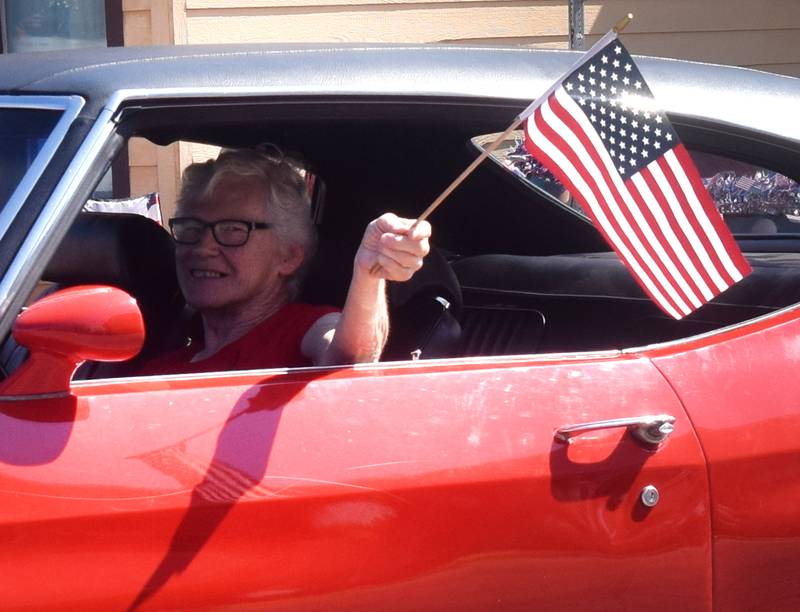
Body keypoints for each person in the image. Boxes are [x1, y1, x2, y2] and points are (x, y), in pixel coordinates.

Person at [140, 146, 431, 375]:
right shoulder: (157, 366)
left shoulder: (299, 329)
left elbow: (350, 359)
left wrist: (369, 273)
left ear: (289, 256)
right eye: (191, 228)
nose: (203, 248)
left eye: (232, 230)